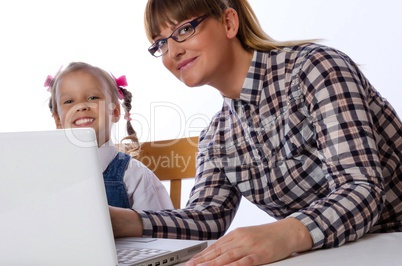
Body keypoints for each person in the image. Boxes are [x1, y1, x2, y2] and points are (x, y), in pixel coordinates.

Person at [109, 0, 402, 265]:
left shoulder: (313, 69)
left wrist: (284, 234)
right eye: (160, 43)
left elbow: (362, 190)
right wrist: (122, 221)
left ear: (228, 23)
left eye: (184, 29)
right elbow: (207, 218)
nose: (173, 52)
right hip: (340, 254)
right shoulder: (217, 135)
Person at [45, 62, 173, 211]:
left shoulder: (135, 176)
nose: (81, 106)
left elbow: (159, 227)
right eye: (69, 101)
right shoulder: (48, 176)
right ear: (58, 120)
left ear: (116, 112)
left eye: (93, 97)